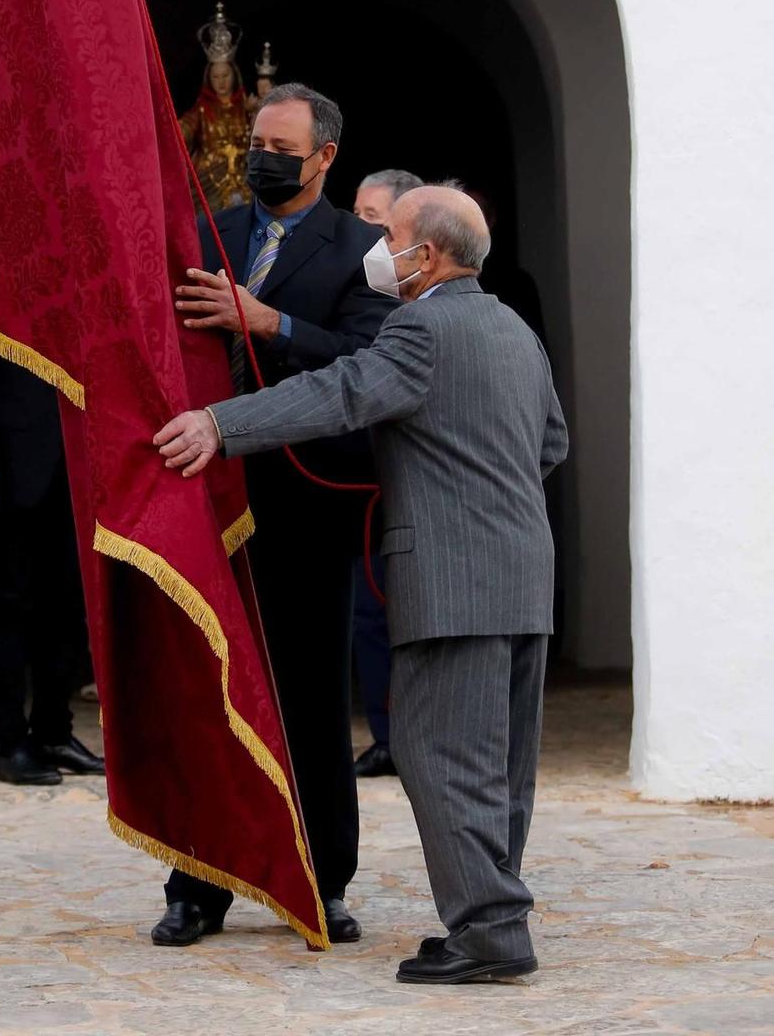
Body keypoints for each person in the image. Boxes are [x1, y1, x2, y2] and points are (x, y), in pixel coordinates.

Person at [156, 186, 569, 985]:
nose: (378, 247)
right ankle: (495, 917)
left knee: (440, 756)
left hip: (450, 579)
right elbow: (549, 441)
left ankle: (487, 932)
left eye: (394, 235)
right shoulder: (512, 326)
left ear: (430, 255)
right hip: (521, 572)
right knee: (500, 766)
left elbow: (339, 392)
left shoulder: (420, 325)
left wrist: (219, 423)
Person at [152, 83, 392, 949]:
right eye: (257, 140)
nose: (262, 156)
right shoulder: (209, 230)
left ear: (323, 156)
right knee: (203, 693)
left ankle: (320, 879)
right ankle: (197, 884)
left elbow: (371, 364)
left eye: (280, 145)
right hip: (204, 499)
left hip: (304, 504)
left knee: (308, 698)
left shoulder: (363, 249)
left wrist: (268, 320)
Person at [0, 251, 104, 786]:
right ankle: (9, 745)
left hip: (72, 476)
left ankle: (54, 732)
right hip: (0, 475)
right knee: (9, 610)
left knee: (67, 610)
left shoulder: (82, 270)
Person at [350, 168, 423, 780]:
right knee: (369, 613)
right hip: (362, 482)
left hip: (418, 492)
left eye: (374, 220)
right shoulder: (356, 289)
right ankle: (386, 734)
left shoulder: (431, 308)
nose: (360, 231)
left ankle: (420, 739)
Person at [177, 4, 257, 210]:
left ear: (234, 74)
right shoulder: (202, 110)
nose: (221, 82)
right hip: (211, 180)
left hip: (242, 177)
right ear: (209, 79)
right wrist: (178, 129)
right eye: (216, 77)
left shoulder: (245, 106)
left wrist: (255, 113)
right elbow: (186, 127)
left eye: (225, 76)